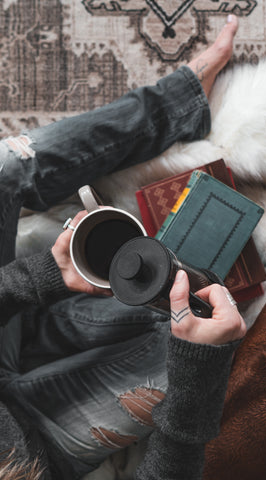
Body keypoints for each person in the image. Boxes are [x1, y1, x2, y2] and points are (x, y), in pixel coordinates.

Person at [0, 14, 246, 480]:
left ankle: (182, 100)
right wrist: (198, 376)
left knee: (5, 168)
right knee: (196, 340)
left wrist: (41, 278)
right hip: (44, 447)